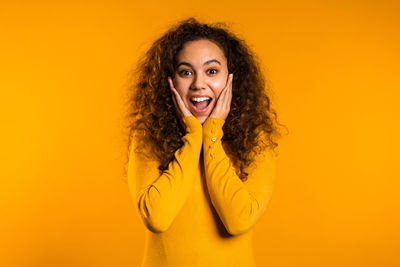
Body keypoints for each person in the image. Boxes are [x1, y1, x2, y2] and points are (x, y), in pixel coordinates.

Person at [125, 17, 285, 267]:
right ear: (170, 80)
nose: (199, 84)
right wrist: (193, 135)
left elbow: (238, 221)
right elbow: (156, 217)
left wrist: (212, 132)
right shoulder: (149, 137)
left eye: (212, 71)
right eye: (186, 72)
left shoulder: (256, 140)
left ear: (232, 78)